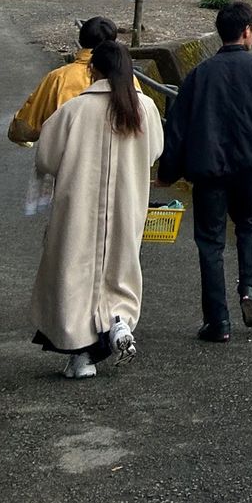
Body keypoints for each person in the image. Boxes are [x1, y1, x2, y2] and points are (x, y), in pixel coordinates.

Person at [158, 1, 252, 343]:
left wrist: (168, 173)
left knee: (210, 242)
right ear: (248, 30)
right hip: (248, 167)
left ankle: (217, 321)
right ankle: (249, 288)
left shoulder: (200, 74)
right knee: (248, 225)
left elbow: (177, 128)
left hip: (208, 171)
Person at [30, 38, 164, 379]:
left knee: (74, 271)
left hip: (79, 207)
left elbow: (46, 157)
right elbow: (155, 151)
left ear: (93, 70)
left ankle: (80, 355)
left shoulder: (74, 111)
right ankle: (118, 322)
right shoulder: (144, 109)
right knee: (119, 266)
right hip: (127, 204)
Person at [8, 16, 121, 144]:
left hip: (69, 158)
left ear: (80, 40)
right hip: (116, 159)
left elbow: (25, 128)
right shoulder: (128, 80)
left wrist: (17, 127)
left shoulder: (59, 78)